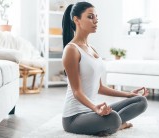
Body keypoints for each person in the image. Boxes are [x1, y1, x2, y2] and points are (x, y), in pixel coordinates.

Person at [61, 2, 149, 136]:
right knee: (113, 118)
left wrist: (128, 94)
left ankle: (109, 125)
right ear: (76, 20)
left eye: (96, 17)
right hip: (74, 117)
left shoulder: (92, 49)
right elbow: (76, 92)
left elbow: (100, 87)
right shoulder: (71, 50)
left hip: (92, 112)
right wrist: (95, 108)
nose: (95, 21)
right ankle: (115, 125)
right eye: (90, 17)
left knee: (141, 101)